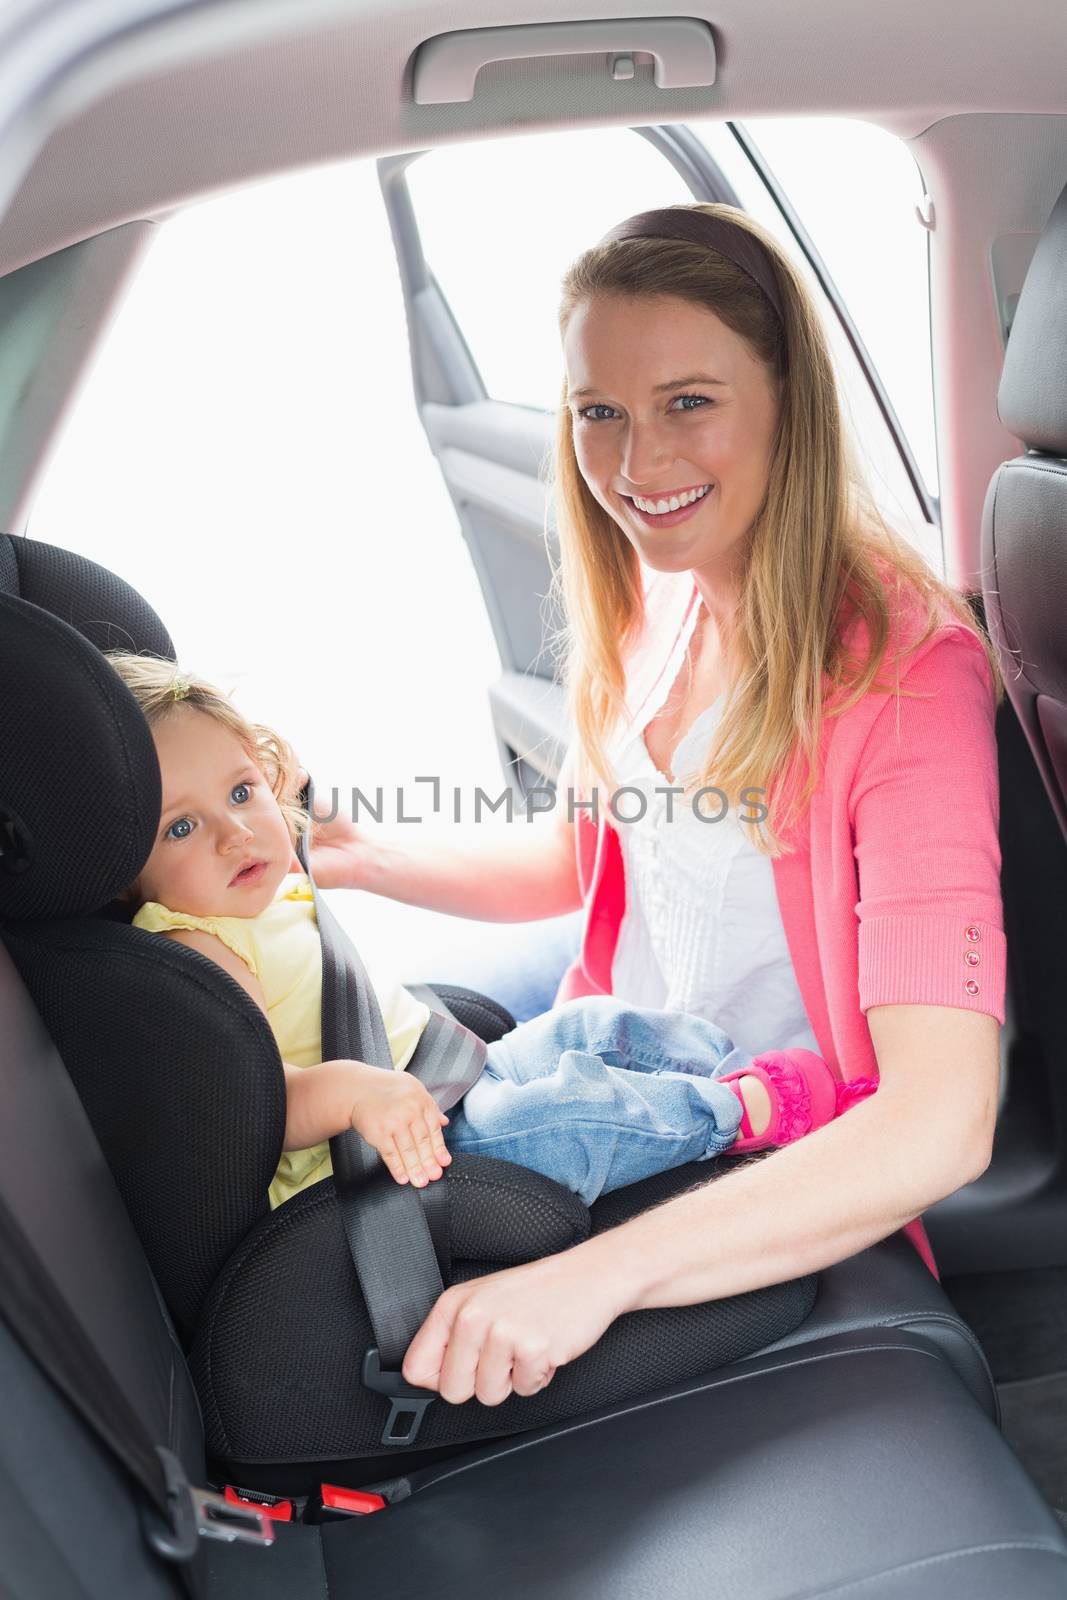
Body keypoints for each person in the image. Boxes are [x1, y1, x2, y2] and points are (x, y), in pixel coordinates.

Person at [307, 202, 1007, 1409]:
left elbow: (939, 1121)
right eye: (599, 414)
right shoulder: (658, 604)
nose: (635, 468)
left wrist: (591, 1280)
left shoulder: (901, 678)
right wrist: (364, 855)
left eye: (688, 402)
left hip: (744, 1154)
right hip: (612, 1079)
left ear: (787, 400)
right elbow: (599, 867)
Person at [106, 652, 846, 1212]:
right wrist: (358, 1095)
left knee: (594, 1025)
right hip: (386, 1152)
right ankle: (740, 1114)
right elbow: (257, 1098)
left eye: (241, 792)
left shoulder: (252, 887)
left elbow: (291, 821)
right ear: (122, 867)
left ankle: (744, 1068)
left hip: (444, 1072)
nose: (236, 834)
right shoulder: (192, 946)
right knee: (574, 1114)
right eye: (181, 826)